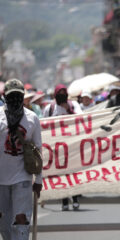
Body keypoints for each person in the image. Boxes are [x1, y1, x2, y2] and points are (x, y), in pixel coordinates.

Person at [0, 78, 42, 240]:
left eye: (18, 95)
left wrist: (39, 179)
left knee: (21, 219)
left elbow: (38, 149)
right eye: (12, 95)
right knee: (3, 222)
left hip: (22, 177)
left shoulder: (32, 118)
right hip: (1, 178)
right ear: (5, 96)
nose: (15, 99)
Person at [43, 84, 82, 211]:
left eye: (63, 93)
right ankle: (64, 200)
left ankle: (75, 198)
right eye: (59, 93)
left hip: (72, 147)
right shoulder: (50, 108)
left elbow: (82, 120)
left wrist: (69, 111)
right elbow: (44, 126)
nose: (62, 96)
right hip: (57, 148)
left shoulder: (74, 105)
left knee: (73, 173)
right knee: (61, 174)